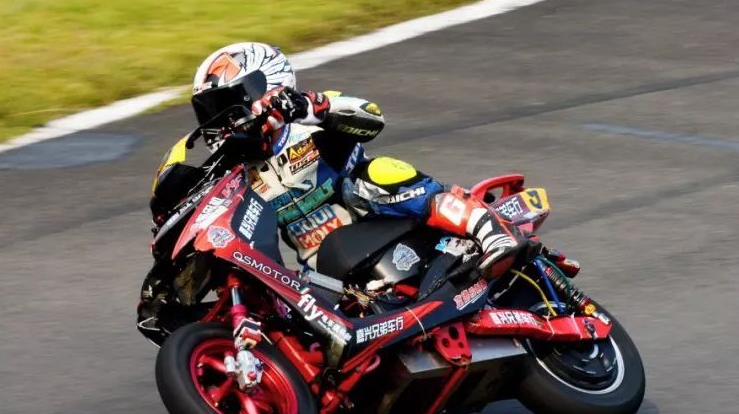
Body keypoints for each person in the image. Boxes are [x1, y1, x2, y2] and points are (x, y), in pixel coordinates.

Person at [190, 41, 522, 280]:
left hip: (385, 226)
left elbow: (372, 117)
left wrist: (307, 107)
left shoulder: (307, 119)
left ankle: (493, 231)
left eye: (226, 107)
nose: (221, 122)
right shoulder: (236, 175)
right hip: (326, 273)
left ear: (265, 84)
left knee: (374, 174)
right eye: (210, 112)